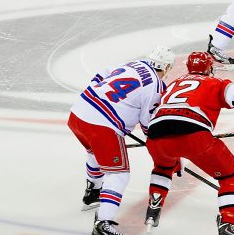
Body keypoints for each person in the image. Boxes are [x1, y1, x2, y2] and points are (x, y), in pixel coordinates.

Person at [143, 51, 234, 235]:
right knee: (230, 176)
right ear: (208, 68)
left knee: (162, 167)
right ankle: (226, 224)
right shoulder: (214, 82)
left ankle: (153, 210)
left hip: (155, 135)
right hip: (194, 135)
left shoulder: (173, 84)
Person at [68, 45, 175, 235]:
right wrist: (159, 143)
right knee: (119, 174)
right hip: (102, 126)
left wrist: (98, 97)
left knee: (94, 152)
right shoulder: (156, 87)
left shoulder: (134, 64)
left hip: (78, 112)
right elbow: (147, 123)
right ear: (166, 67)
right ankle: (103, 223)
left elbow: (102, 74)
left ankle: (92, 194)